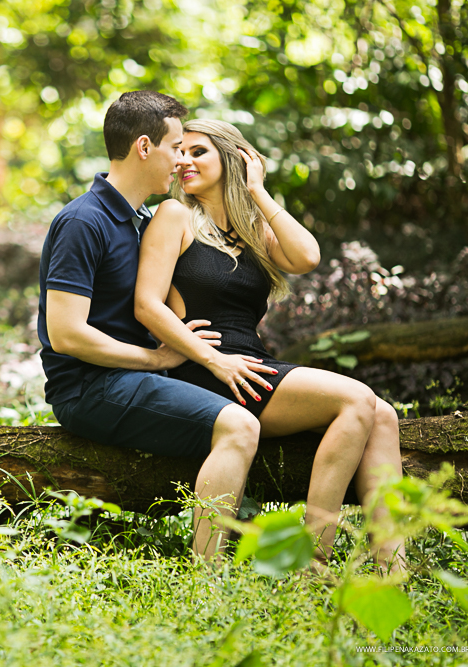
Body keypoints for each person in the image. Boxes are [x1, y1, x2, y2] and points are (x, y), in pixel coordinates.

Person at [134, 118, 405, 571]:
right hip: (203, 369)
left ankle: (392, 565)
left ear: (234, 157)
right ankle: (314, 558)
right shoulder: (174, 215)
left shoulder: (251, 228)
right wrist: (215, 360)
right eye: (180, 152)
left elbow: (307, 256)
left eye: (198, 151)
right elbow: (147, 304)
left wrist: (257, 190)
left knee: (384, 415)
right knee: (357, 397)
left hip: (250, 365)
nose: (184, 161)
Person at [38, 92, 275, 560]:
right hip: (91, 387)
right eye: (175, 147)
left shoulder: (141, 220)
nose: (180, 160)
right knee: (239, 428)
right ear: (144, 147)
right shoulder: (84, 220)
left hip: (139, 378)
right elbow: (66, 334)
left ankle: (259, 547)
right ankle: (208, 579)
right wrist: (159, 357)